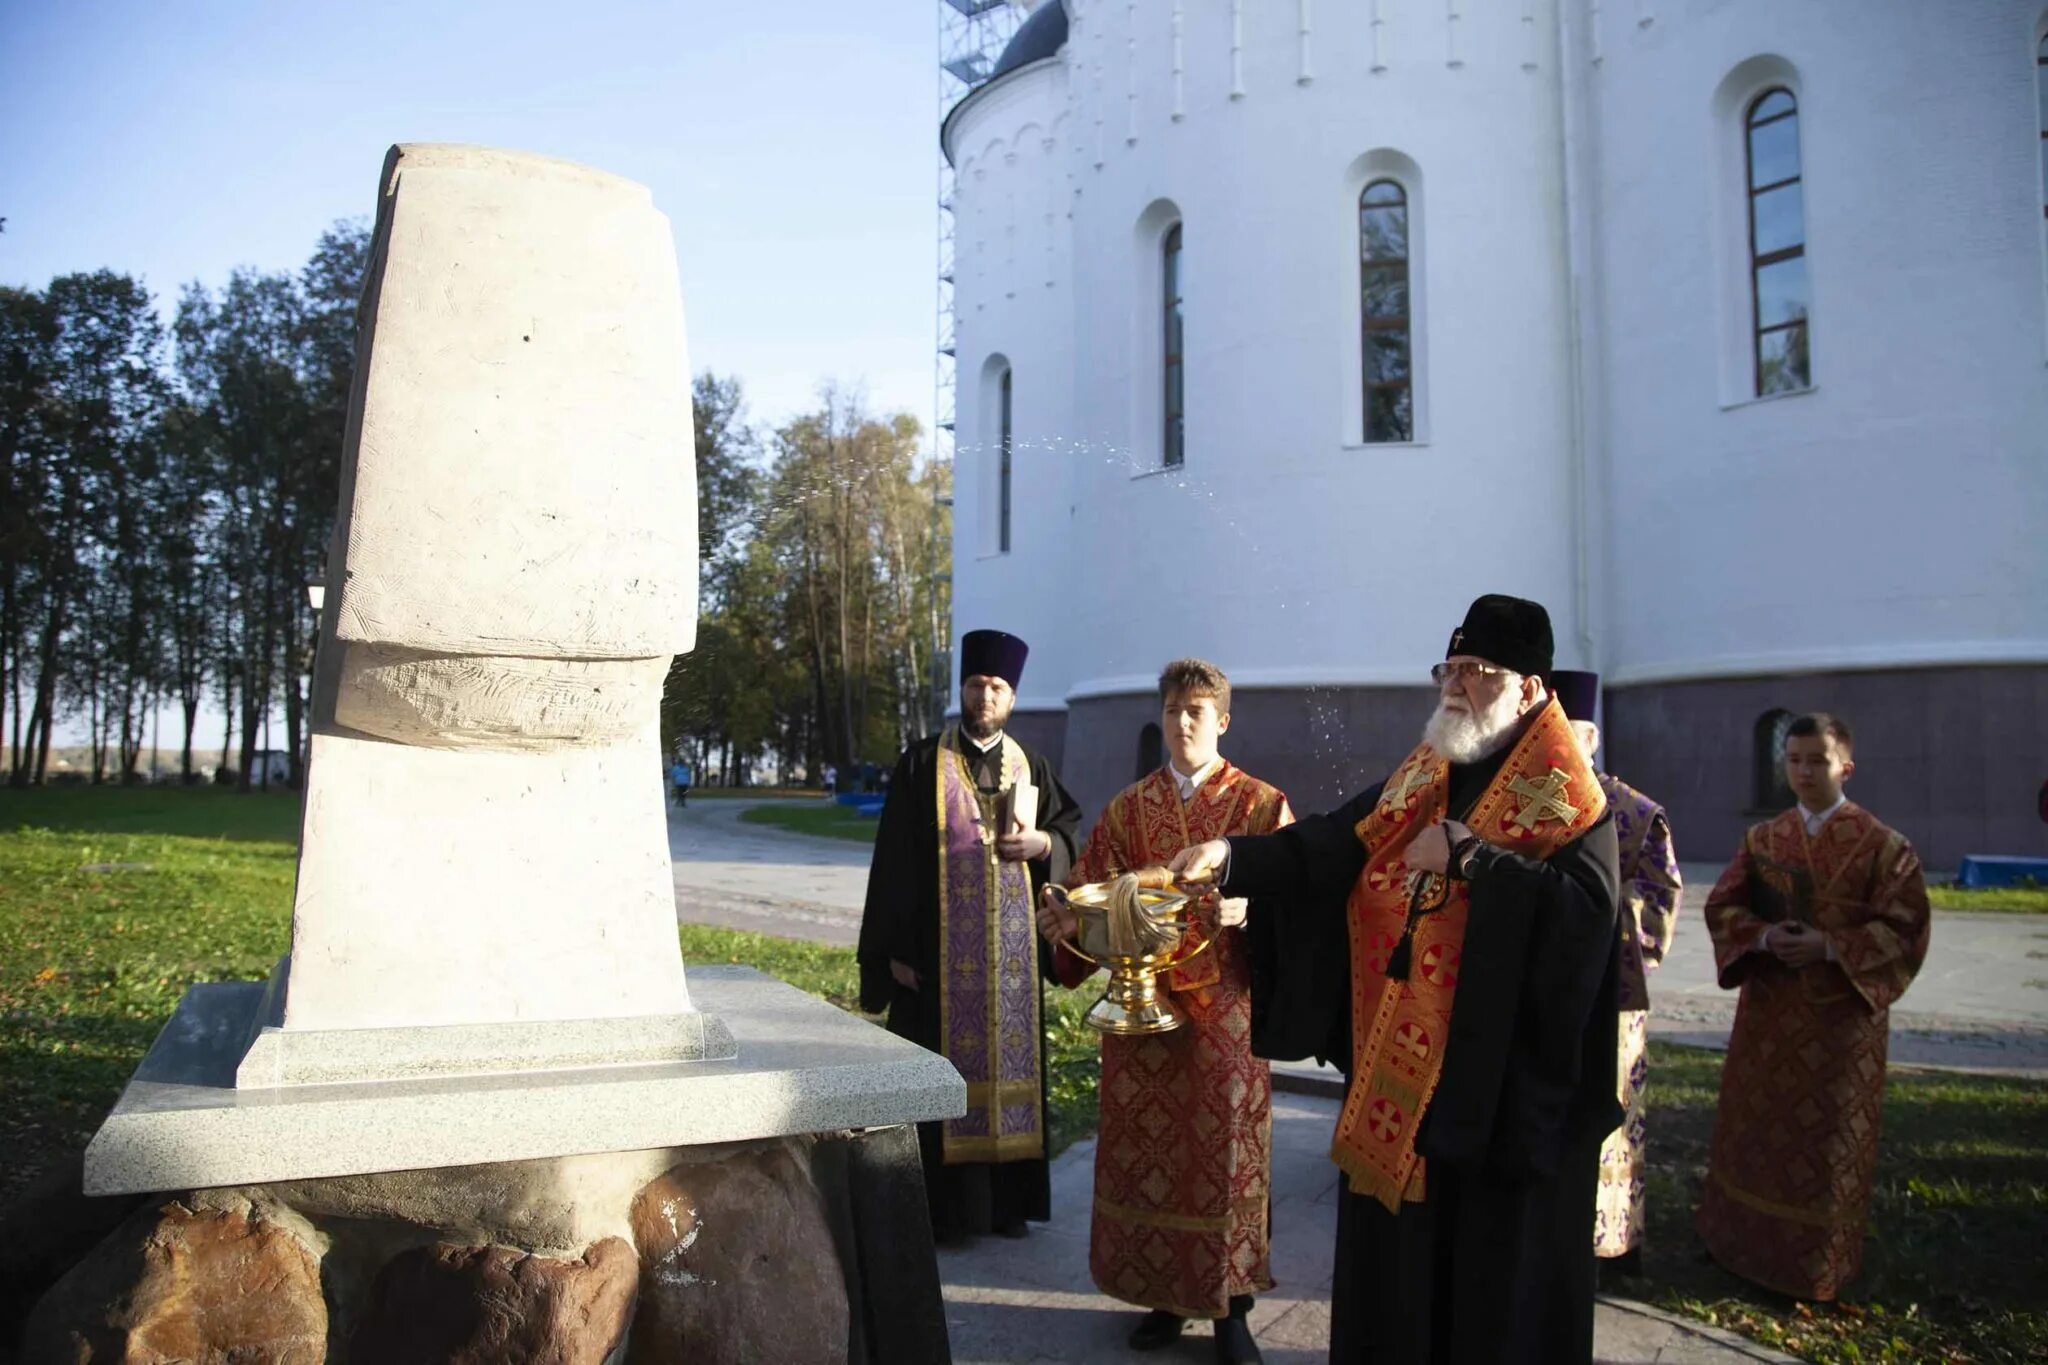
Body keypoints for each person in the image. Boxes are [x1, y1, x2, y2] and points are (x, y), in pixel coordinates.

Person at [1168, 594, 1621, 1365]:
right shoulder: (1429, 771)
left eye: (1478, 671)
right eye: (1450, 667)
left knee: (1487, 1297)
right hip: (1403, 1084)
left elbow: (1586, 922)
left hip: (1500, 1102)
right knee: (1402, 1288)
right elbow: (1333, 842)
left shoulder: (1570, 801)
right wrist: (1233, 856)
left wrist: (1476, 860)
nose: (1456, 684)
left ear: (1531, 689)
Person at [1035, 659, 1292, 1365]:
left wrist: (1256, 908)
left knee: (1225, 1159)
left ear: (1223, 721)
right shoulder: (1127, 809)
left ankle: (1231, 1311)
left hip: (1225, 1017)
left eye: (1198, 711)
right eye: (1175, 709)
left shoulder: (1262, 807)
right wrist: (1065, 925)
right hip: (1141, 1016)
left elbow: (1299, 899)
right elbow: (1088, 896)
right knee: (1147, 1156)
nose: (1184, 722)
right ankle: (1160, 1294)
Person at [857, 628, 1084, 1240]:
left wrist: (1045, 845)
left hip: (1010, 971)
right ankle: (950, 1217)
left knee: (1011, 1077)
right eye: (979, 684)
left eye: (999, 687)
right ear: (963, 688)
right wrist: (890, 957)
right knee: (942, 1077)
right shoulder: (922, 762)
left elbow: (1072, 831)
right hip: (937, 965)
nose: (987, 696)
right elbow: (892, 866)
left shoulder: (1030, 764)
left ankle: (1009, 1208)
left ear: (1012, 698)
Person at [1695, 712, 1930, 1301]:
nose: (1803, 770)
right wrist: (1767, 937)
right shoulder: (1764, 839)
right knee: (1756, 1131)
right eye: (1794, 759)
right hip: (1770, 1016)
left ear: (1845, 766)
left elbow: (1906, 929)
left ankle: (1813, 1268)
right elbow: (1723, 907)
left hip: (1840, 1025)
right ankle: (1739, 1246)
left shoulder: (1885, 846)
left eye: (1816, 760)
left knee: (1825, 1142)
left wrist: (1829, 946)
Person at [1550, 670, 1682, 1281]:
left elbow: (1657, 901)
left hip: (1610, 993)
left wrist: (1584, 923)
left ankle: (1604, 1249)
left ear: (1592, 737)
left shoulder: (1634, 811)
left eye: (1564, 731)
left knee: (1608, 1120)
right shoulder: (1524, 807)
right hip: (1538, 999)